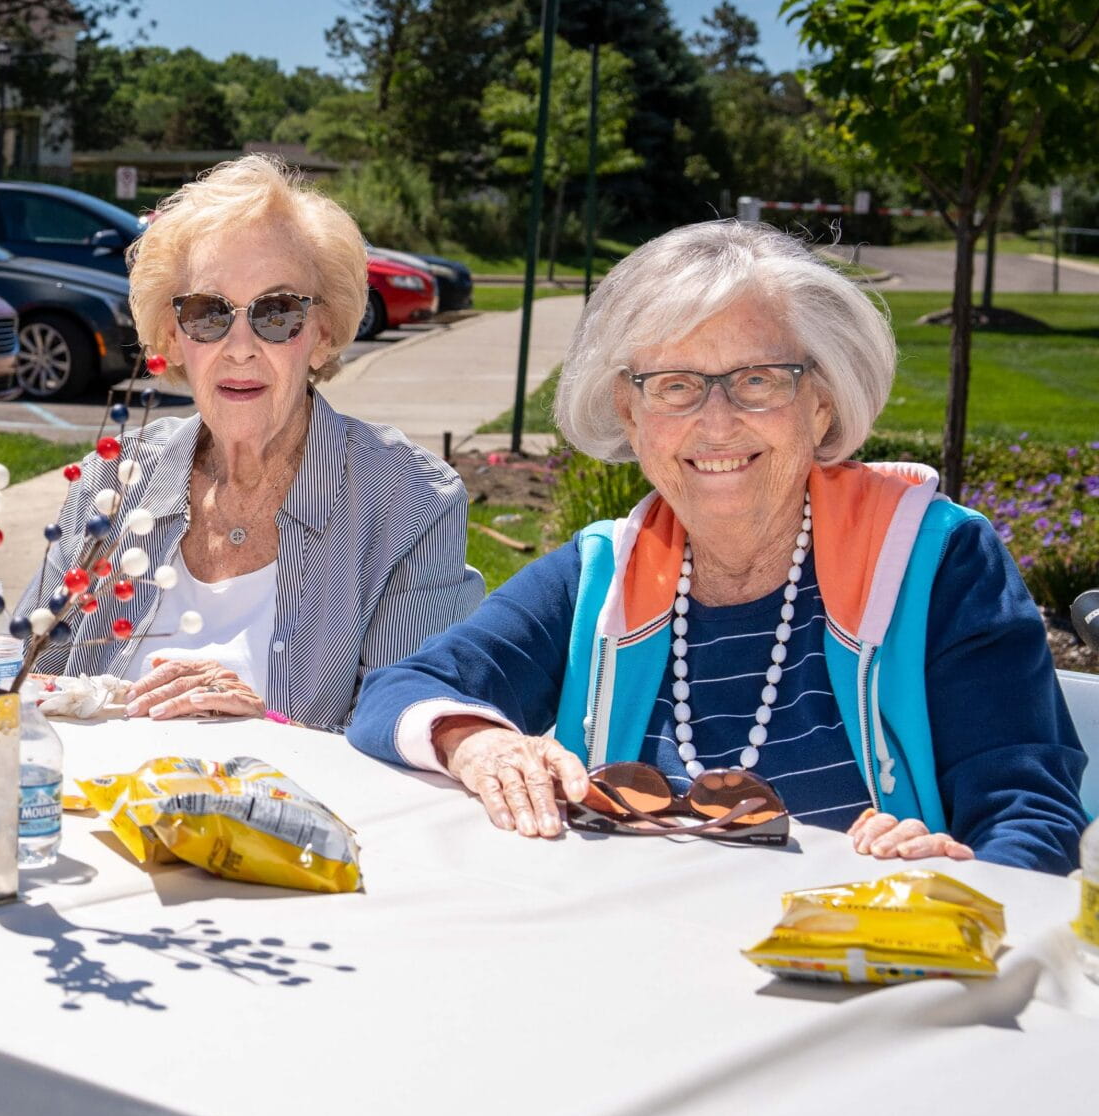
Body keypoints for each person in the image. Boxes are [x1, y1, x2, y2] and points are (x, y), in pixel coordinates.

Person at [348, 219, 1089, 871]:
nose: (717, 422)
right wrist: (475, 742)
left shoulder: (937, 561)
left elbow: (1030, 815)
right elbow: (397, 692)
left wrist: (963, 881)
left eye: (758, 379)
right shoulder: (603, 573)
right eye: (674, 385)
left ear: (822, 400)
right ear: (630, 414)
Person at [0, 156, 482, 726]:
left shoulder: (407, 504)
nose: (239, 347)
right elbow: (35, 673)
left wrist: (266, 723)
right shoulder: (117, 479)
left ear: (322, 335)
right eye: (209, 314)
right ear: (173, 336)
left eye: (276, 314)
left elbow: (405, 733)